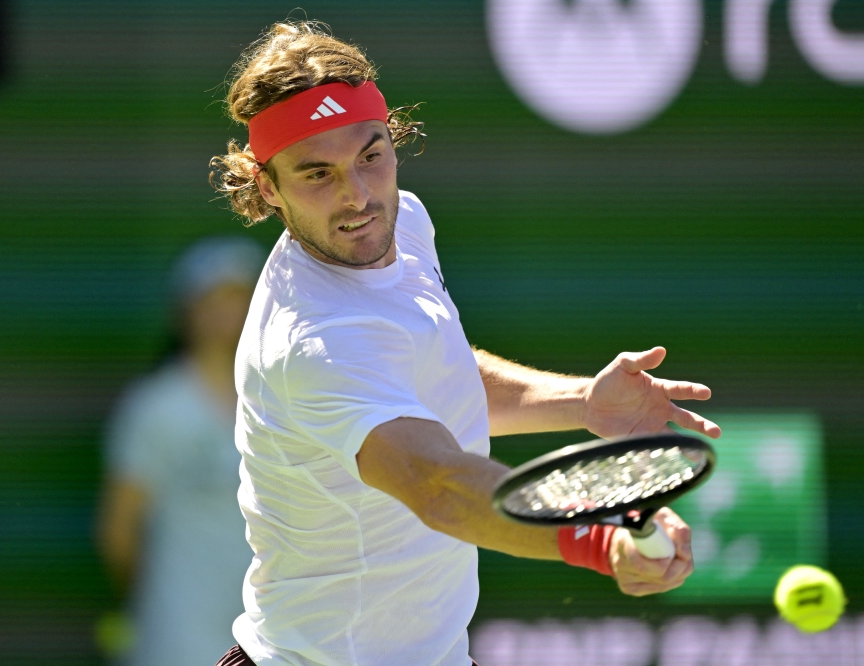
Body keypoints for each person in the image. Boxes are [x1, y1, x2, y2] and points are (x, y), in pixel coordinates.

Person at [209, 21, 721, 666]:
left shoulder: (405, 222)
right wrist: (600, 537)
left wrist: (581, 401)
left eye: (371, 155)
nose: (359, 196)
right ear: (267, 188)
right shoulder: (315, 341)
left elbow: (434, 377)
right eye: (318, 174)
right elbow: (440, 487)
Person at [96, 237, 263, 666]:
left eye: (240, 298)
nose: (229, 313)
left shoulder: (288, 401)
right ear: (186, 311)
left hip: (271, 637)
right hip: (177, 637)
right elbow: (119, 531)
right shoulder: (156, 407)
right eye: (214, 299)